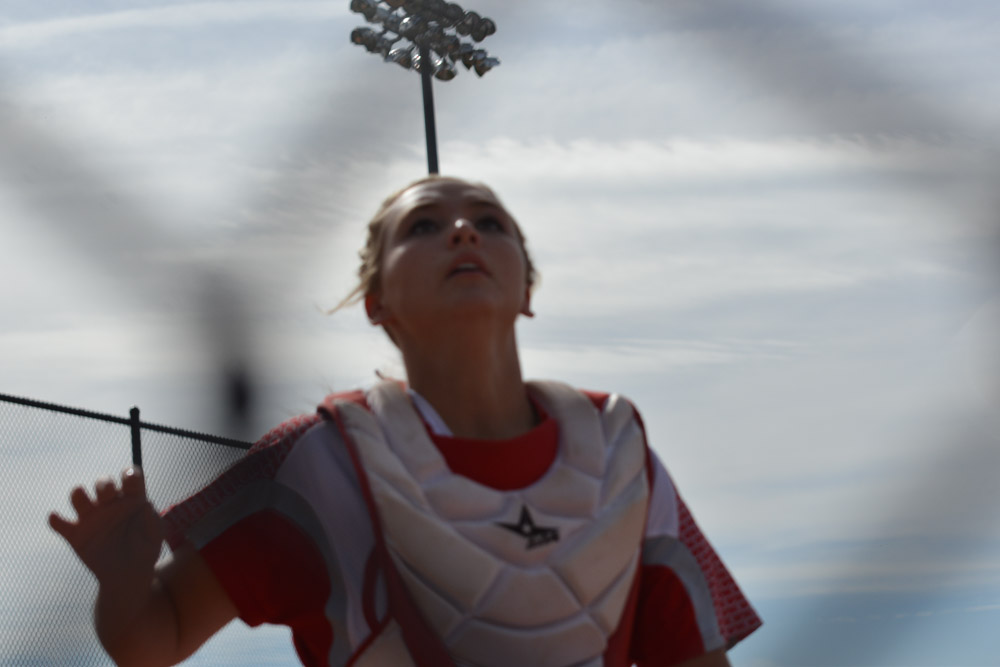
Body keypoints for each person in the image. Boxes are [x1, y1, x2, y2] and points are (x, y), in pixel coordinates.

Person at [49, 175, 761, 667]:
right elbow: (156, 636)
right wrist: (122, 580)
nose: (463, 231)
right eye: (424, 226)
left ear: (527, 287)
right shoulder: (315, 462)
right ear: (377, 301)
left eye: (490, 223)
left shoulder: (615, 450)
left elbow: (693, 656)